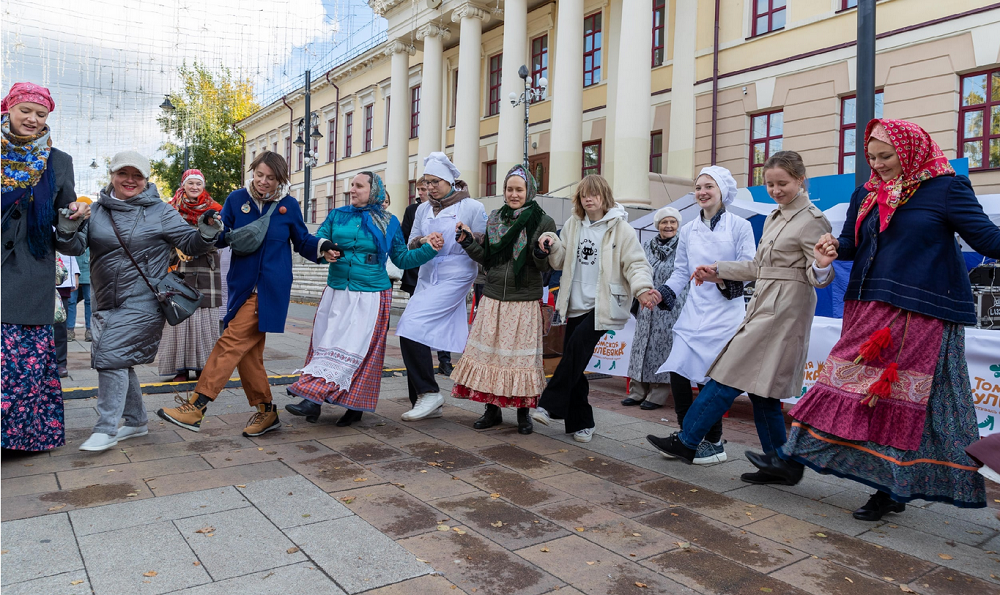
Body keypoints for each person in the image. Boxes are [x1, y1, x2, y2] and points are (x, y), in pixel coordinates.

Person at [748, 119, 1000, 519]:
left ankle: (888, 489)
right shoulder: (866, 192)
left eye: (886, 157)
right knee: (837, 383)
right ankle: (793, 460)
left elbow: (989, 240)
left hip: (920, 312)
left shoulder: (946, 187)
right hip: (867, 306)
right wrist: (832, 247)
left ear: (911, 150)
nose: (878, 165)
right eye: (872, 157)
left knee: (896, 400)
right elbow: (852, 244)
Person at [647, 151, 836, 483]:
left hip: (786, 310)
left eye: (783, 183)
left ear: (800, 181)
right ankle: (782, 463)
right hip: (764, 304)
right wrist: (717, 270)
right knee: (762, 390)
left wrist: (821, 264)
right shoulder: (778, 216)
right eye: (770, 184)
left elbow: (818, 276)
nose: (775, 190)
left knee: (728, 373)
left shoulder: (812, 219)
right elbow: (759, 266)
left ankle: (688, 439)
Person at [157, 151, 335, 438]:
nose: (264, 182)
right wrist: (212, 227)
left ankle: (197, 406)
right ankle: (266, 411)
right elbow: (219, 235)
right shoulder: (236, 200)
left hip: (270, 288)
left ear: (280, 179)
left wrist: (323, 247)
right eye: (260, 174)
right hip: (241, 286)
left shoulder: (288, 206)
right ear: (253, 171)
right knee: (248, 354)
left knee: (230, 342)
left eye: (272, 178)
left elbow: (302, 240)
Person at [56, 150, 221, 452]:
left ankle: (106, 428)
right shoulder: (97, 211)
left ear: (146, 180)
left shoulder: (160, 211)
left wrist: (207, 232)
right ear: (113, 176)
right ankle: (136, 421)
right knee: (119, 361)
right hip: (105, 299)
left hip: (144, 301)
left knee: (110, 359)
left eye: (137, 176)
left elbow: (190, 242)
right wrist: (68, 227)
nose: (129, 180)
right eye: (123, 174)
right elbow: (73, 247)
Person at [284, 172, 440, 426]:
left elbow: (401, 258)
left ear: (373, 190)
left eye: (359, 186)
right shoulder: (337, 215)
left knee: (356, 350)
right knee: (325, 344)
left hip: (370, 295)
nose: (353, 190)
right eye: (352, 186)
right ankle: (313, 401)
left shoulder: (388, 222)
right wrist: (324, 249)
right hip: (336, 291)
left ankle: (345, 404)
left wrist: (428, 250)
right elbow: (317, 238)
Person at [530, 174, 657, 442]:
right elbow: (561, 260)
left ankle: (550, 405)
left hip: (602, 305)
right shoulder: (574, 224)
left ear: (604, 197)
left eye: (594, 194)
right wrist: (552, 243)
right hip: (575, 303)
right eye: (584, 194)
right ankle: (582, 423)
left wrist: (643, 289)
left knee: (575, 351)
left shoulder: (621, 229)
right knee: (576, 364)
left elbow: (635, 263)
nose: (589, 198)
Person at [1, 82, 88, 452]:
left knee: (21, 369)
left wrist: (72, 220)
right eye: (26, 111)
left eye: (41, 114)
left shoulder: (59, 162)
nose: (33, 120)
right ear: (8, 109)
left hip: (32, 274)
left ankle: (17, 440)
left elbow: (69, 238)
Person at [650, 166, 755, 464]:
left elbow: (750, 267)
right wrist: (664, 292)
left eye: (709, 186)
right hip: (693, 313)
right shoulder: (688, 230)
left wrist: (718, 276)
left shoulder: (739, 226)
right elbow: (681, 270)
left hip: (725, 316)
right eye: (698, 187)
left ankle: (714, 442)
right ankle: (686, 436)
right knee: (678, 370)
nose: (702, 192)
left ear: (722, 191)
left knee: (711, 380)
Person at [451, 164, 557, 434]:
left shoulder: (543, 221)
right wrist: (466, 241)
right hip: (494, 296)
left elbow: (544, 268)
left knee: (520, 361)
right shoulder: (496, 217)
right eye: (509, 189)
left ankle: (523, 415)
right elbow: (487, 257)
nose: (513, 194)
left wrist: (542, 253)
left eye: (519, 189)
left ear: (529, 191)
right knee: (491, 357)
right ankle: (491, 411)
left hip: (524, 300)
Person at [396, 152, 487, 421]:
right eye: (426, 182)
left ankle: (429, 393)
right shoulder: (423, 209)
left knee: (410, 325)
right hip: (427, 273)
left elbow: (484, 244)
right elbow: (410, 242)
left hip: (456, 274)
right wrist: (425, 240)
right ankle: (423, 399)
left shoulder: (472, 206)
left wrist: (468, 236)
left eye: (435, 181)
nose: (430, 187)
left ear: (449, 181)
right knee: (413, 331)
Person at [157, 169, 223, 383]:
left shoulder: (215, 209)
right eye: (191, 183)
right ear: (183, 185)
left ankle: (205, 366)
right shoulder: (170, 209)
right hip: (179, 266)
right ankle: (180, 369)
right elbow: (162, 236)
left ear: (203, 186)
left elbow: (222, 238)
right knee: (178, 314)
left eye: (198, 183)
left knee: (206, 318)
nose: (195, 187)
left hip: (206, 264)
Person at [622, 206, 686, 411]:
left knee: (662, 347)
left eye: (672, 222)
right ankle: (637, 391)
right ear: (657, 225)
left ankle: (658, 393)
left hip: (670, 307)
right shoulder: (647, 246)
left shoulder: (683, 247)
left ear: (678, 225)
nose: (668, 226)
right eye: (664, 222)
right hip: (646, 304)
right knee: (641, 346)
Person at [400, 176, 454, 376]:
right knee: (416, 321)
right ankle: (422, 366)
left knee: (441, 317)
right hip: (417, 271)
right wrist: (422, 241)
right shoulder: (412, 211)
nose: (423, 192)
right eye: (420, 189)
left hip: (442, 272)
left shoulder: (450, 208)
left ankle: (444, 360)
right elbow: (405, 239)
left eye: (425, 188)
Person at [53, 252, 79, 377]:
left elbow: (70, 249)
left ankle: (60, 363)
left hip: (61, 278)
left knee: (60, 325)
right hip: (36, 278)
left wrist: (75, 274)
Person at [66, 248, 91, 342]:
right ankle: (69, 329)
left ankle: (90, 329)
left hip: (88, 270)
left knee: (89, 301)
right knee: (71, 301)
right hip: (72, 270)